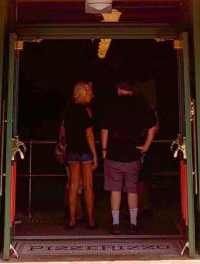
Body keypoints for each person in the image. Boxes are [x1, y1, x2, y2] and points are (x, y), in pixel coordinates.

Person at [100, 79, 157, 234]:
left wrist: (104, 150)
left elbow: (104, 130)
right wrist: (146, 145)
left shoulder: (112, 106)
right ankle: (133, 224)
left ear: (119, 90)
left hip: (114, 154)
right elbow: (153, 126)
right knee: (132, 190)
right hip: (133, 154)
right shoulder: (141, 105)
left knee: (115, 190)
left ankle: (116, 224)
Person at [62, 81, 98, 229]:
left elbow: (64, 132)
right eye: (90, 93)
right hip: (85, 152)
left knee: (73, 186)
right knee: (88, 186)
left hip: (72, 152)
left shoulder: (68, 111)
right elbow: (89, 135)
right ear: (84, 94)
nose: (92, 96)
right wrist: (95, 154)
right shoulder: (86, 111)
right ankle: (90, 220)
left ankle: (72, 220)